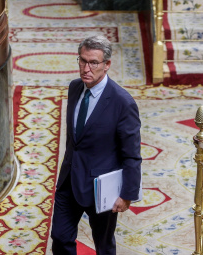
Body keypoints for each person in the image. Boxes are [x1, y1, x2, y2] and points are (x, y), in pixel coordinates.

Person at [51, 35, 142, 255]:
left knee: (103, 246)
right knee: (60, 238)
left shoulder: (123, 102)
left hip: (101, 189)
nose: (86, 68)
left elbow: (131, 154)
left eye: (93, 63)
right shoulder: (75, 88)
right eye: (82, 61)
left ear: (107, 65)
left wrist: (127, 194)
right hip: (69, 181)